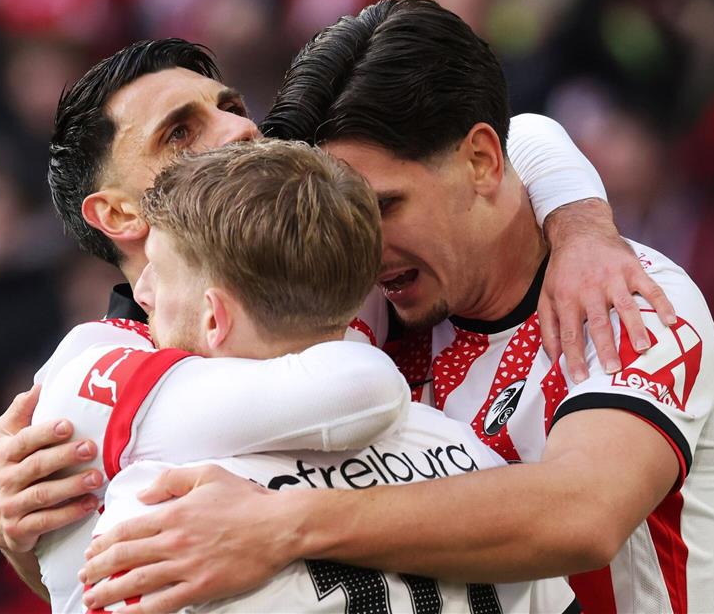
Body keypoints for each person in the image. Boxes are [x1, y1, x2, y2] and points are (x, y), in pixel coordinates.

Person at [77, 0, 714, 614]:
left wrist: (286, 526)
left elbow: (585, 512)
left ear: (480, 161)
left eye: (384, 206)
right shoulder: (350, 301)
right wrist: (32, 534)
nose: (361, 243)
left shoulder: (627, 299)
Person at [67, 140, 578, 613]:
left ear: (214, 317)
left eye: (157, 269)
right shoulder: (473, 464)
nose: (144, 292)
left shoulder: (162, 504)